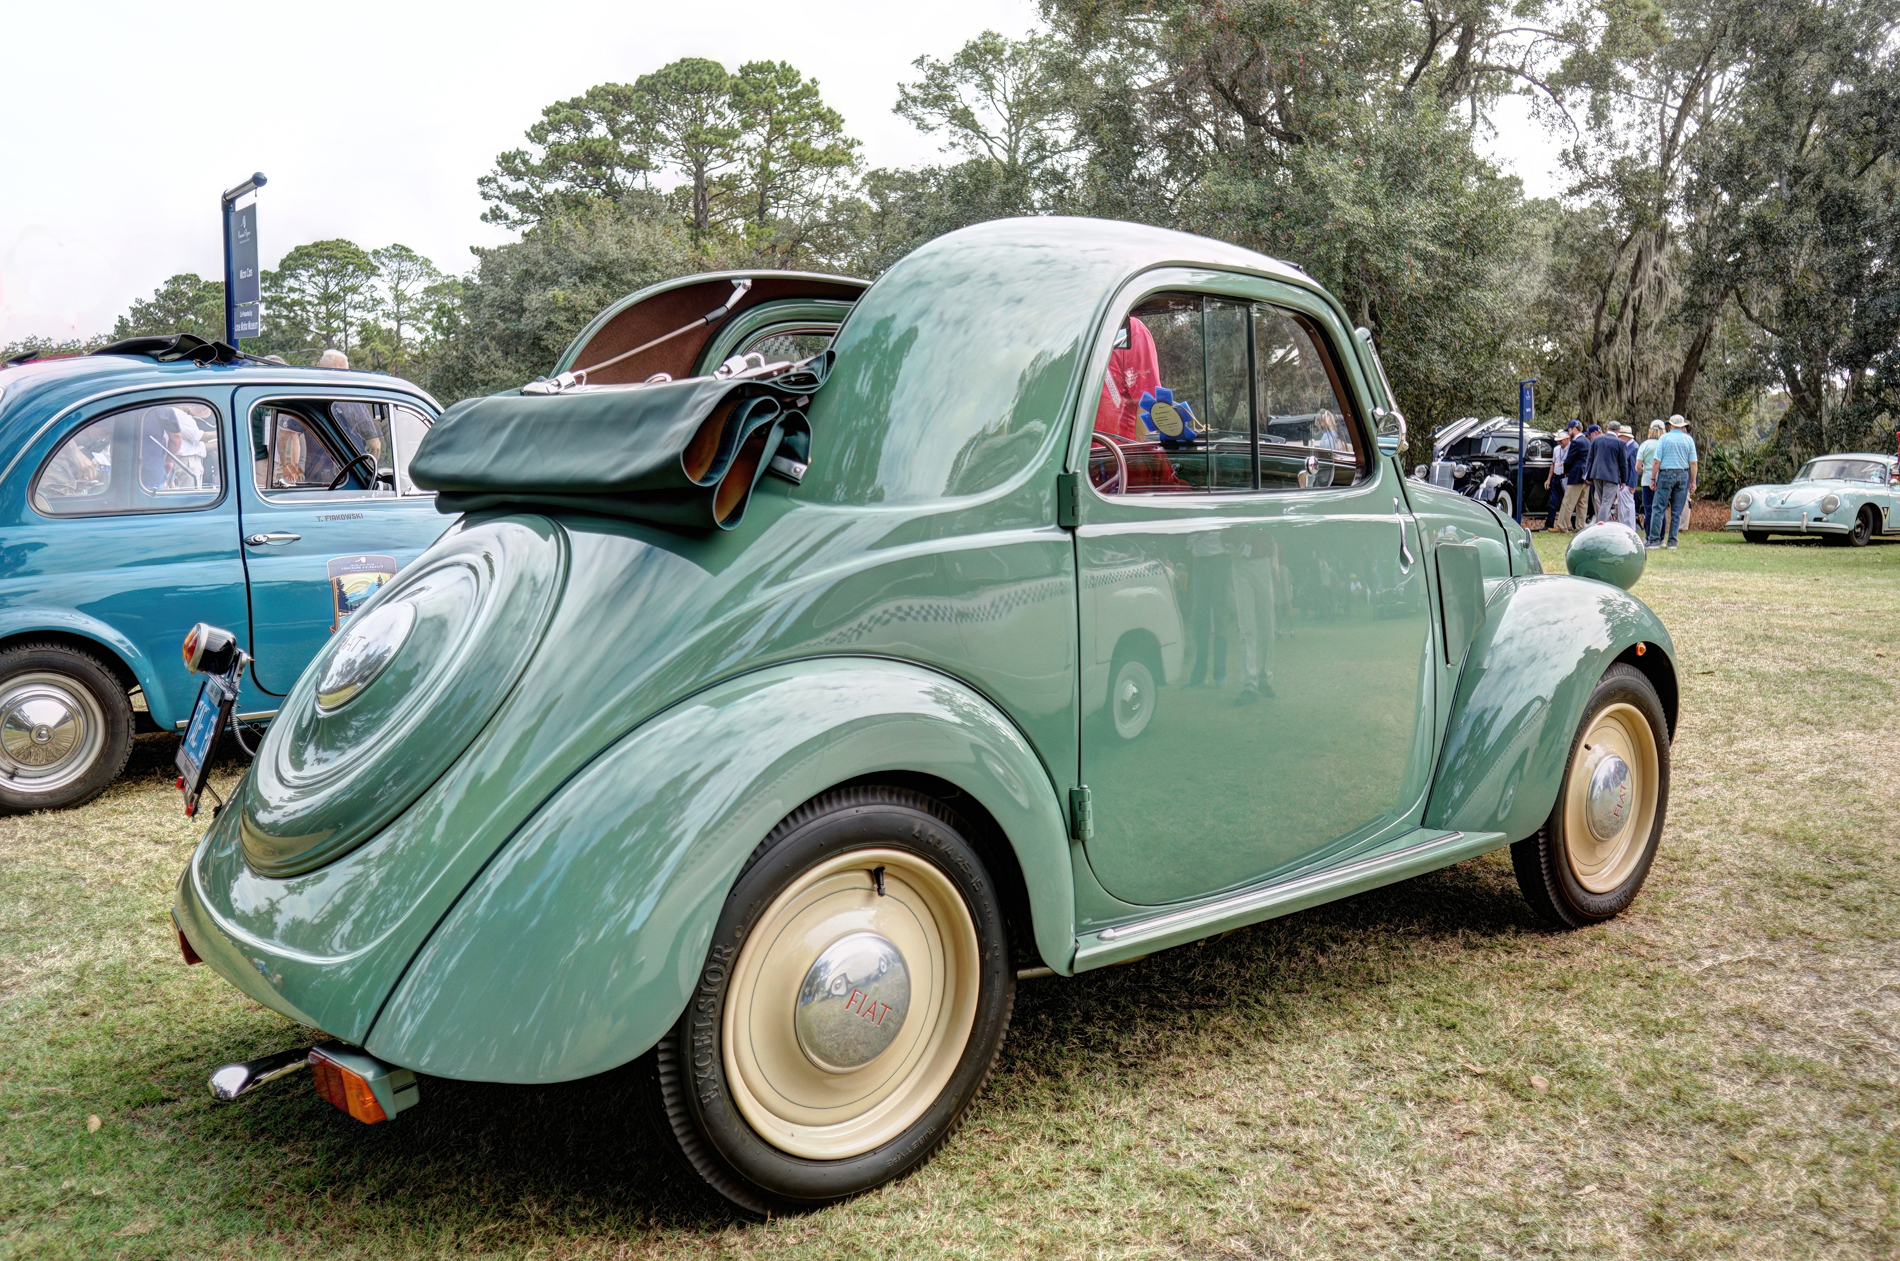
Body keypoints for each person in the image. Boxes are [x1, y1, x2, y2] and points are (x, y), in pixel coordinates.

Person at [1646, 414, 1698, 549]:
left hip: (1666, 474)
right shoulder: (1688, 440)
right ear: (1682, 426)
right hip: (1683, 474)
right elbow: (1693, 463)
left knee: (1658, 508)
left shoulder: (1664, 438)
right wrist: (1693, 481)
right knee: (1677, 510)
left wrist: (1653, 478)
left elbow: (1656, 461)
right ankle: (1672, 541)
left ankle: (1654, 540)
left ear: (1669, 425)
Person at [1588, 423, 1630, 525]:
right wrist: (1624, 480)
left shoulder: (1596, 440)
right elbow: (1623, 464)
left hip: (1596, 474)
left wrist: (1588, 475)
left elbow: (1590, 459)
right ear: (1618, 430)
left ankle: (1604, 523)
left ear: (1607, 429)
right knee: (1606, 502)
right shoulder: (1621, 443)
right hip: (1611, 476)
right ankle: (1600, 524)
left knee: (1602, 501)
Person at [1555, 422, 1592, 531]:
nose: (1568, 432)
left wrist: (1565, 470)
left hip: (1576, 474)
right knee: (1582, 503)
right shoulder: (1587, 441)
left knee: (1568, 502)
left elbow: (1569, 460)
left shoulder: (1576, 442)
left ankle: (1563, 525)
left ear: (1574, 429)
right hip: (1586, 475)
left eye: (1569, 430)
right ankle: (1580, 526)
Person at [1636, 420, 1664, 525]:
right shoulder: (1664, 444)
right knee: (1661, 508)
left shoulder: (1644, 445)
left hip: (1647, 480)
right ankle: (1660, 536)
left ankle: (1649, 536)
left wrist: (1644, 467)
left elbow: (1637, 467)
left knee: (1648, 508)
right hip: (1662, 479)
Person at [1543, 429, 1571, 530]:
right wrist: (1548, 479)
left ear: (1568, 439)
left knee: (1567, 503)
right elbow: (1553, 464)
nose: (1560, 442)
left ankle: (1568, 524)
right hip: (1556, 476)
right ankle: (1549, 524)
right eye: (1559, 440)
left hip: (1566, 477)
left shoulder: (1572, 448)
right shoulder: (1556, 449)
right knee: (1553, 502)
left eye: (1562, 440)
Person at [1616, 424, 1641, 528]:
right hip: (1622, 482)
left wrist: (1632, 483)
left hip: (1628, 483)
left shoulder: (1634, 447)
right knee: (1622, 506)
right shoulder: (1626, 447)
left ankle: (1630, 527)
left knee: (1628, 506)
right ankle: (1623, 526)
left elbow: (1635, 468)